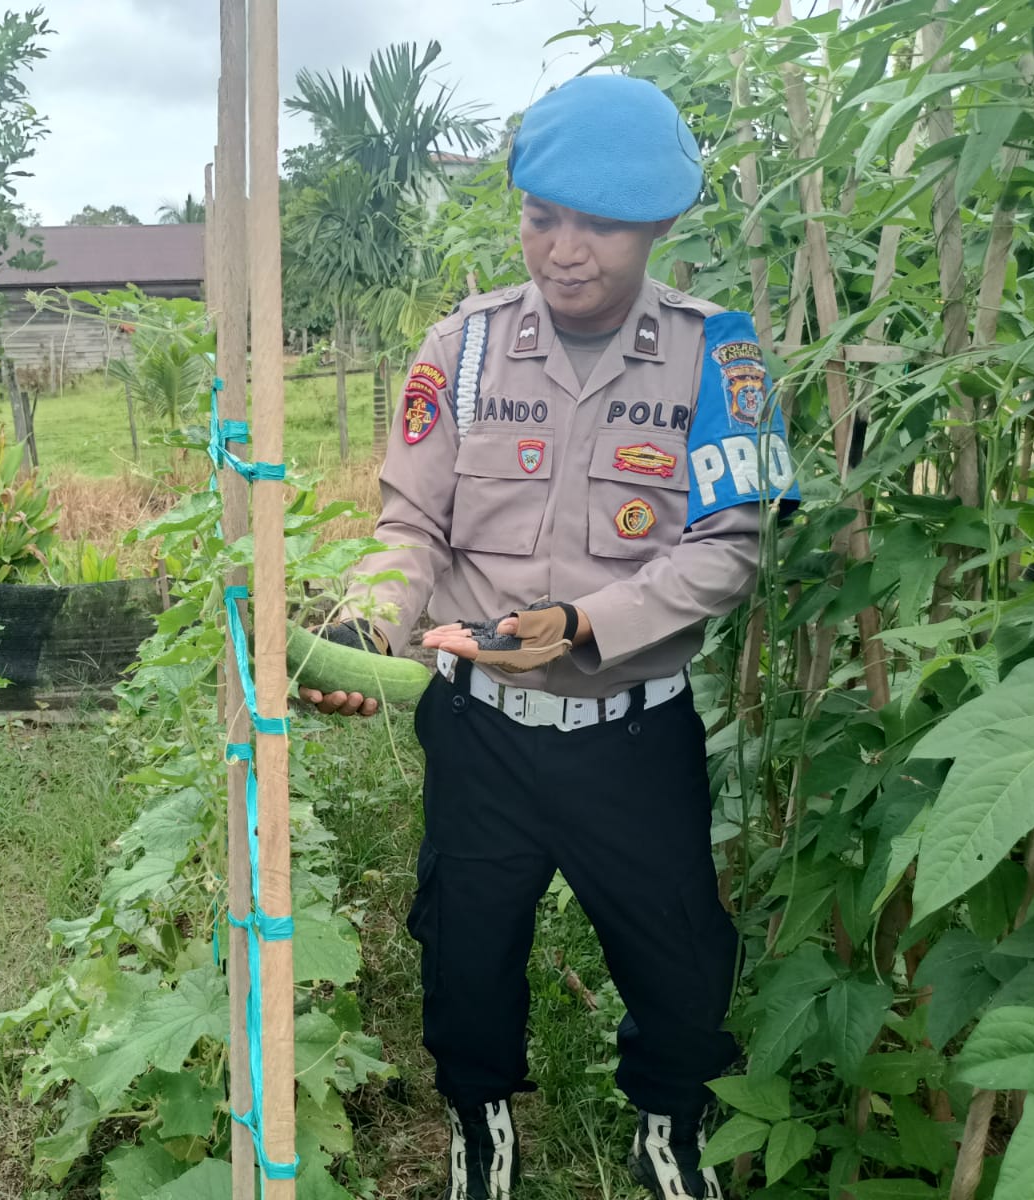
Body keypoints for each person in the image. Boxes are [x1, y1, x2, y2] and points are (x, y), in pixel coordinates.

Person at [298, 74, 799, 1200]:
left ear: (659, 227)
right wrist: (365, 619)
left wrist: (580, 623)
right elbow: (407, 524)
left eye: (602, 225)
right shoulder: (462, 348)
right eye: (541, 218)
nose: (564, 250)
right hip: (478, 730)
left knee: (676, 955)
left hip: (632, 731)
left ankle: (670, 1122)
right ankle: (480, 1125)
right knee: (465, 950)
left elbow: (730, 548)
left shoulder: (720, 357)